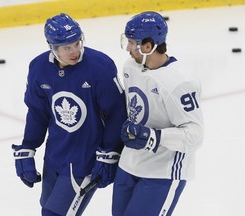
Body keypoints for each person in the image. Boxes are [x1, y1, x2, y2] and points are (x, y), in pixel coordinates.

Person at [11, 13, 127, 216]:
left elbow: (117, 113)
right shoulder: (39, 68)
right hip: (55, 155)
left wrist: (109, 151)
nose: (75, 51)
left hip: (85, 158)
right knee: (47, 210)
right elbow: (38, 113)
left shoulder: (100, 66)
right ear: (52, 46)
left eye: (77, 43)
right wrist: (28, 147)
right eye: (66, 47)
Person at [112, 11, 204, 216]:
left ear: (148, 46)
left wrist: (154, 136)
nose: (127, 48)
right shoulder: (130, 67)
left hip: (162, 172)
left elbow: (195, 136)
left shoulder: (181, 82)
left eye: (131, 42)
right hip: (129, 164)